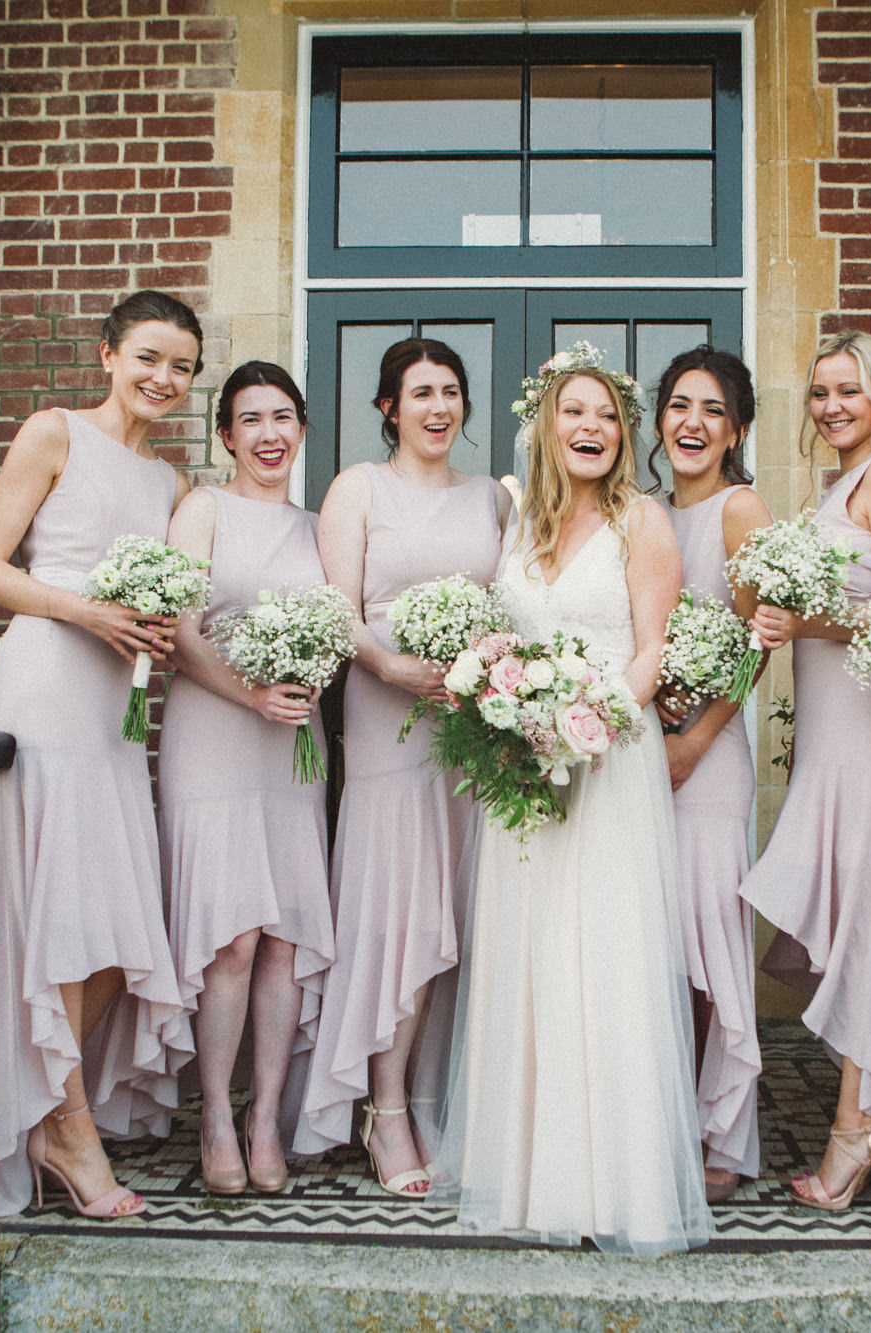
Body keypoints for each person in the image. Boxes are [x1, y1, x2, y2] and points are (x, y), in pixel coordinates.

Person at [430, 357, 712, 1257]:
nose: (590, 426)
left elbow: (653, 646)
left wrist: (588, 725)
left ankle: (607, 1181)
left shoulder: (643, 519)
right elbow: (505, 641)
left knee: (604, 956)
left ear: (624, 434)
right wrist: (512, 715)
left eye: (606, 415)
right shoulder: (521, 524)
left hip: (608, 766)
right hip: (524, 777)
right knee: (532, 954)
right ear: (547, 426)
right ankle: (528, 1175)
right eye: (572, 411)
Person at [0, 290, 201, 1219]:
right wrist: (88, 611)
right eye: (147, 357)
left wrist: (158, 638)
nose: (163, 378)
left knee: (117, 928)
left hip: (113, 709)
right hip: (46, 687)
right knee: (61, 912)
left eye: (180, 366)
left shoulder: (172, 485)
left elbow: (163, 603)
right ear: (107, 354)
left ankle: (44, 1105)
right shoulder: (51, 432)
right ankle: (65, 1126)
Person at [294, 339, 511, 1196]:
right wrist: (389, 667)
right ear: (389, 406)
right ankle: (383, 1109)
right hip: (388, 717)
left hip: (469, 730)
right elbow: (335, 609)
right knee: (398, 911)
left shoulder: (492, 495)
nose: (438, 407)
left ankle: (431, 1097)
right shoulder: (358, 487)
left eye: (451, 391)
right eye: (420, 392)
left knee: (457, 916)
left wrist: (487, 667)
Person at [737, 329, 871, 1210]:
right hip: (832, 728)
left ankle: (858, 1132)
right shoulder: (841, 484)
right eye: (820, 392)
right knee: (856, 915)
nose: (831, 407)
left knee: (866, 920)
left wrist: (810, 624)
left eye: (848, 390)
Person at [158, 361, 332, 1197]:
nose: (270, 433)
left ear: (301, 427)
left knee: (285, 938)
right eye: (251, 419)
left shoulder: (318, 524)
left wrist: (309, 679)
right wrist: (250, 692)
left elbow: (343, 623)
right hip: (215, 733)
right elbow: (180, 633)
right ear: (226, 434)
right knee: (231, 936)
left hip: (294, 742)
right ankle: (216, 1118)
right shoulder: (203, 508)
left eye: (284, 416)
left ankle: (267, 1117)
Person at [649, 347, 772, 1205]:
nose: (693, 422)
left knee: (706, 945)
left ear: (736, 430)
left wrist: (697, 739)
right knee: (658, 944)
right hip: (646, 754)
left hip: (710, 756)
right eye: (679, 405)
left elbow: (761, 639)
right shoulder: (645, 515)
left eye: (713, 410)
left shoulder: (741, 509)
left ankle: (718, 1127)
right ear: (659, 420)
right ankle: (663, 1118)